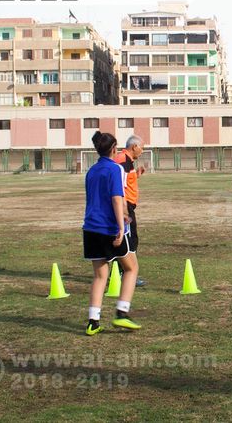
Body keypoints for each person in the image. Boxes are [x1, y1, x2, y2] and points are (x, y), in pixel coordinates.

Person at [83, 131, 142, 336]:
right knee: (131, 268)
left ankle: (93, 321)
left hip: (90, 228)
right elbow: (117, 199)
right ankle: (121, 313)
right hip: (108, 228)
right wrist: (120, 225)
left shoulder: (91, 171)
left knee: (100, 276)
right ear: (114, 149)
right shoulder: (115, 169)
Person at [114, 135, 147, 287]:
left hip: (127, 205)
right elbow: (118, 183)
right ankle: (126, 274)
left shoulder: (128, 162)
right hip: (124, 206)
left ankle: (120, 273)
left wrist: (137, 175)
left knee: (128, 239)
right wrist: (124, 208)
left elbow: (125, 181)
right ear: (134, 147)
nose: (142, 151)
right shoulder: (122, 160)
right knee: (130, 240)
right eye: (142, 148)